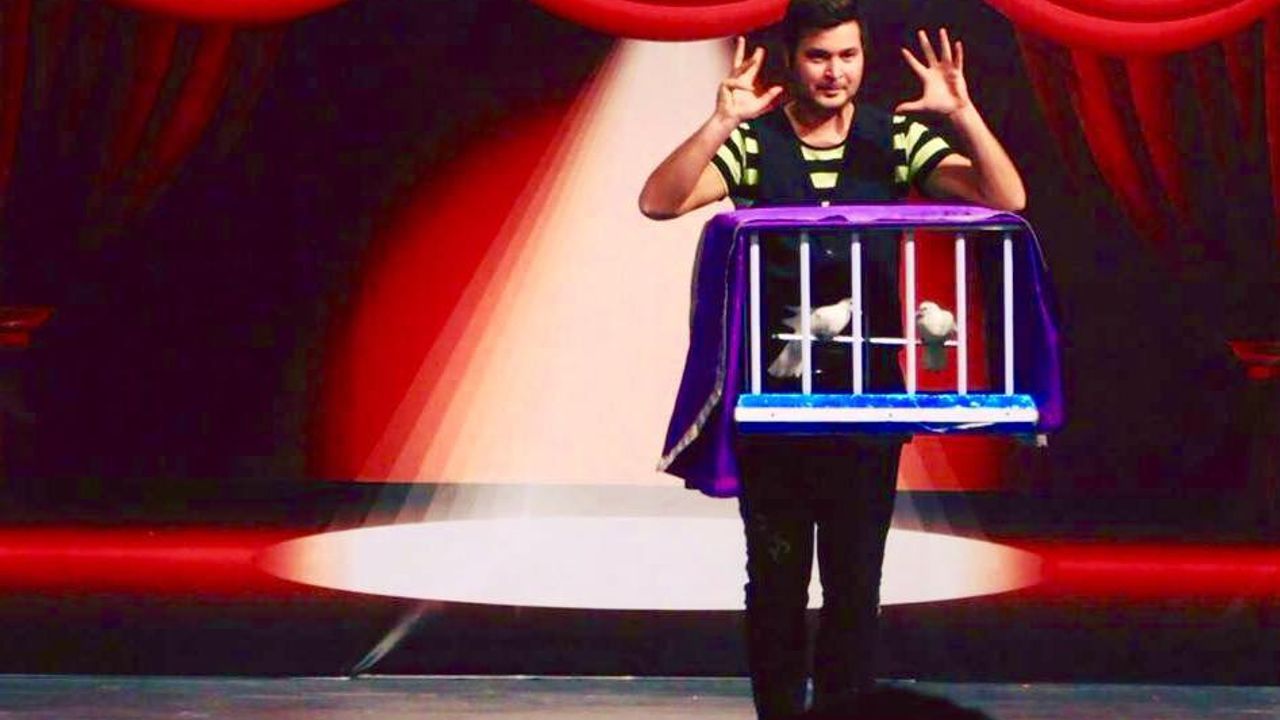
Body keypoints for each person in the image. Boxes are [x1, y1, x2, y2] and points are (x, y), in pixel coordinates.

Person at [639, 1, 1025, 718]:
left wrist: (963, 114)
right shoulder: (757, 143)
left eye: (848, 56)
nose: (834, 72)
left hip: (867, 400)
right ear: (793, 59)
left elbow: (1006, 198)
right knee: (775, 585)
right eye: (819, 56)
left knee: (855, 586)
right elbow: (658, 202)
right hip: (773, 400)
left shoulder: (895, 138)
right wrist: (720, 122)